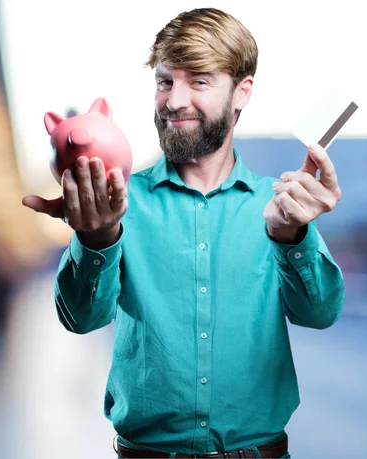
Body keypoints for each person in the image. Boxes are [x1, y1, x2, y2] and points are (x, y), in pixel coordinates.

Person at [22, 7, 345, 458]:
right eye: (164, 81)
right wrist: (97, 238)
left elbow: (320, 312)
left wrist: (292, 237)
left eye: (199, 81)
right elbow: (82, 319)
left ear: (242, 92)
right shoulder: (119, 202)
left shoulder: (276, 206)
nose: (174, 100)